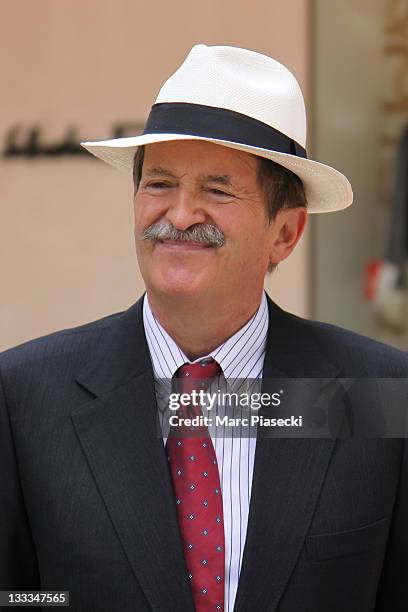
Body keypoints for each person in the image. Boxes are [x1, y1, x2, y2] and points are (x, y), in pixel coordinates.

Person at [0, 44, 407, 612]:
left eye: (217, 190)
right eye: (160, 184)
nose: (181, 214)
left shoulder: (377, 396)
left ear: (285, 234)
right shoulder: (23, 395)